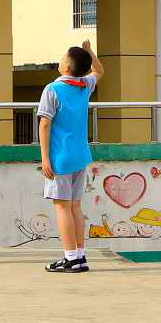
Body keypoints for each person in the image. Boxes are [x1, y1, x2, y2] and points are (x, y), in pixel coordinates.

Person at [39, 40, 102, 273]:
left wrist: (45, 158)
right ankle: (80, 255)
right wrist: (90, 53)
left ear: (67, 66)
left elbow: (44, 124)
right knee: (75, 206)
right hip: (80, 156)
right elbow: (99, 70)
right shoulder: (84, 85)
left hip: (60, 159)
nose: (61, 58)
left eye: (64, 57)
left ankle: (70, 257)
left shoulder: (52, 89)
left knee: (62, 207)